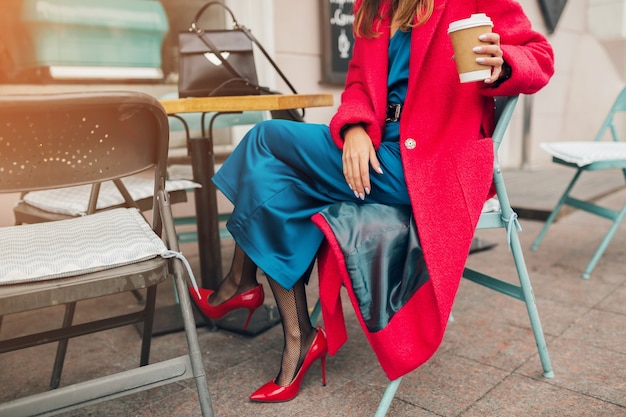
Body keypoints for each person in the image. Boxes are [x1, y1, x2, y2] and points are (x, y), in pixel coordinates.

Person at [189, 0, 554, 403]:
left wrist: (503, 62)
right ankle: (297, 338)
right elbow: (360, 84)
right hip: (379, 149)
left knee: (264, 139)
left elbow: (539, 55)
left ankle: (241, 285)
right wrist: (357, 128)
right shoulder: (373, 7)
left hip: (429, 163)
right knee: (278, 185)